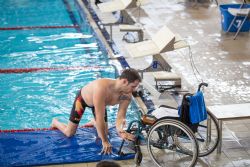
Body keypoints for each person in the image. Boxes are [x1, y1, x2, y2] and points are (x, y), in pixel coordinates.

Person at [51, 68, 141, 154]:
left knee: (105, 132)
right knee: (69, 133)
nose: (134, 90)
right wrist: (105, 141)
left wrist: (121, 131)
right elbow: (100, 118)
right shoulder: (102, 88)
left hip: (100, 103)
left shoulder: (127, 95)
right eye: (133, 87)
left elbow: (121, 117)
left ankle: (93, 122)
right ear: (124, 81)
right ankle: (55, 122)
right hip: (82, 100)